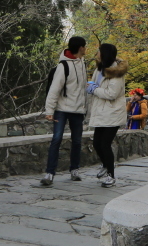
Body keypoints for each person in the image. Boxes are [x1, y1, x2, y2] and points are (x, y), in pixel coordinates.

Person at [41, 36, 88, 186]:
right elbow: (54, 90)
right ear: (80, 48)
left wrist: (86, 108)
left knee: (77, 141)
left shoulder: (83, 63)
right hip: (62, 109)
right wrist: (49, 110)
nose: (86, 49)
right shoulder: (63, 66)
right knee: (56, 139)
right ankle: (49, 173)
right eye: (85, 46)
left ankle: (74, 169)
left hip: (78, 110)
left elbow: (83, 89)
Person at [86, 43, 128, 187]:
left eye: (99, 51)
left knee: (105, 144)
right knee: (96, 143)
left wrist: (93, 89)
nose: (97, 53)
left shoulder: (116, 73)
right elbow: (97, 84)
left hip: (113, 112)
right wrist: (92, 85)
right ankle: (105, 164)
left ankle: (111, 175)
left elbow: (112, 94)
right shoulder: (100, 68)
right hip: (101, 111)